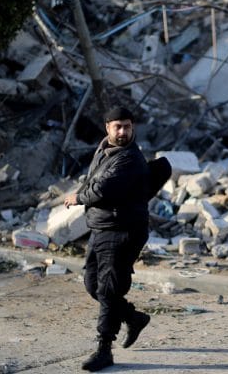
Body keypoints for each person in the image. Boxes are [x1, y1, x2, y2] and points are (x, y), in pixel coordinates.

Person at [64, 106, 169, 372]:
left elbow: (101, 189)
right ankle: (133, 318)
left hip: (123, 229)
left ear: (133, 128)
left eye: (127, 126)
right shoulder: (104, 150)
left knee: (109, 290)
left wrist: (78, 197)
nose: (123, 132)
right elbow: (91, 180)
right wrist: (81, 191)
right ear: (107, 128)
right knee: (92, 284)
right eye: (118, 127)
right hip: (101, 227)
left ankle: (104, 349)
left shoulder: (129, 159)